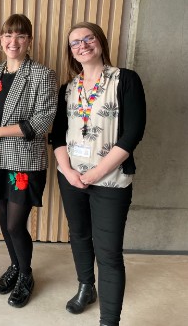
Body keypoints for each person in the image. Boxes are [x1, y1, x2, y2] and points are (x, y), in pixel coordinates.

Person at [51, 22, 146, 326]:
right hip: (71, 179)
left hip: (110, 181)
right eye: (75, 42)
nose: (82, 45)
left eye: (88, 38)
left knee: (109, 253)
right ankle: (85, 287)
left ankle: (109, 321)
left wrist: (94, 174)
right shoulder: (68, 88)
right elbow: (57, 136)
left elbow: (132, 134)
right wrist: (68, 171)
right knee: (78, 236)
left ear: (100, 41)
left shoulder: (125, 80)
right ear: (71, 52)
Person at [0, 14, 57, 308]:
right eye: (8, 35)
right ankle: (14, 266)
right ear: (1, 39)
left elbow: (43, 120)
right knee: (2, 218)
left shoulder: (42, 75)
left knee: (14, 224)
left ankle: (26, 275)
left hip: (24, 160)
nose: (13, 41)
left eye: (20, 36)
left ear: (29, 41)